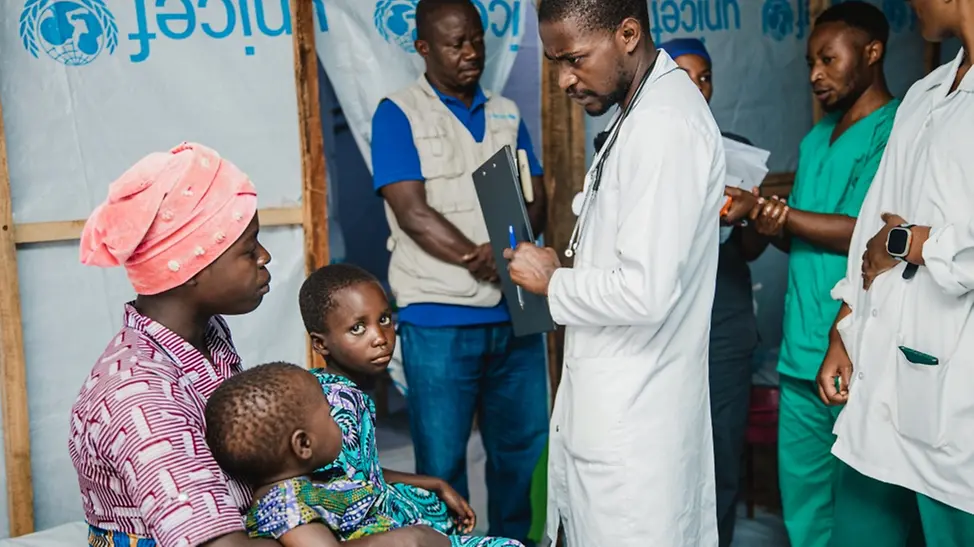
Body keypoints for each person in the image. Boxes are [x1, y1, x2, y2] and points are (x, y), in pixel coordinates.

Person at [69, 143, 442, 547]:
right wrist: (397, 543)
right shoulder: (139, 395)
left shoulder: (208, 337)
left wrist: (402, 484)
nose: (264, 257)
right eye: (249, 249)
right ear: (193, 266)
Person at [508, 0, 725, 544]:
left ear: (628, 34)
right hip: (617, 411)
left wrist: (553, 281)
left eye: (575, 59)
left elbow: (644, 291)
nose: (564, 80)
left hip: (636, 431)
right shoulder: (639, 110)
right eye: (556, 63)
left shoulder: (663, 126)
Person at [369, 0, 548, 540]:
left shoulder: (506, 113)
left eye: (476, 40)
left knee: (522, 453)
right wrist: (482, 256)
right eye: (455, 43)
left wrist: (506, 251)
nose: (470, 52)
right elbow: (412, 213)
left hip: (516, 314)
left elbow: (537, 198)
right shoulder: (397, 113)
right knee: (442, 465)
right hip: (438, 318)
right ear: (423, 48)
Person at [816, 0, 974, 544]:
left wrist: (908, 242)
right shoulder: (927, 92)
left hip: (959, 398)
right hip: (881, 379)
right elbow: (873, 221)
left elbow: (894, 238)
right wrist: (844, 325)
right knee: (861, 528)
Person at [742, 4, 900, 545]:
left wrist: (782, 214)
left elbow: (868, 231)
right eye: (810, 61)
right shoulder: (815, 140)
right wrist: (768, 221)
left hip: (857, 352)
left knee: (864, 516)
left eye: (828, 59)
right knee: (805, 511)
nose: (815, 74)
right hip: (799, 356)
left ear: (872, 52)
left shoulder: (896, 130)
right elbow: (805, 235)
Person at [204, 358, 523, 546]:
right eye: (329, 414)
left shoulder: (304, 484)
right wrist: (410, 540)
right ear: (303, 445)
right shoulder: (284, 506)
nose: (338, 421)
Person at [658, 36, 762, 547]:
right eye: (685, 78)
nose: (698, 88)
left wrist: (753, 212)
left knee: (722, 446)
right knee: (666, 448)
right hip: (664, 319)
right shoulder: (638, 147)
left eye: (706, 77)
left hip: (724, 318)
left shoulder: (734, 149)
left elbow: (750, 250)